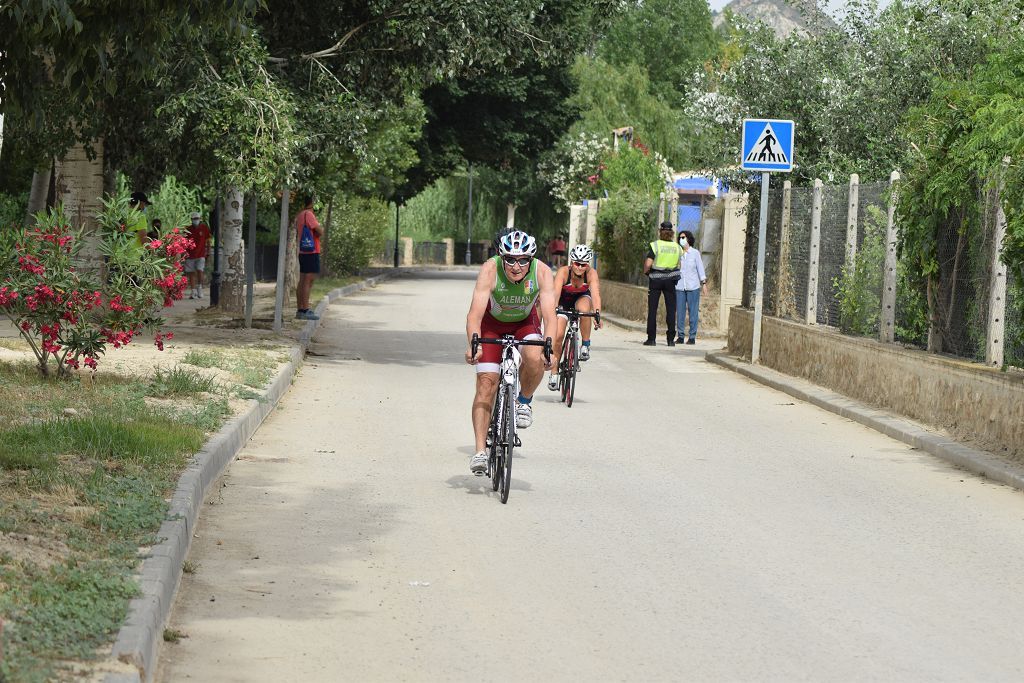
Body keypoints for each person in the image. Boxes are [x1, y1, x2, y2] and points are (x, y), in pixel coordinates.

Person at [465, 229, 556, 476]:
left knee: (534, 356)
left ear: (531, 259)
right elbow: (474, 314)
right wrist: (475, 344)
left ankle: (524, 402)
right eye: (510, 260)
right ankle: (480, 452)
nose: (516, 266)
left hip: (524, 323)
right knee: (486, 383)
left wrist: (550, 346)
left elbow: (549, 315)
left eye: (523, 260)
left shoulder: (542, 272)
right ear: (501, 257)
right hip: (491, 325)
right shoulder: (489, 269)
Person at [547, 243, 602, 390]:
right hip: (563, 302)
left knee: (585, 310)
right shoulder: (563, 272)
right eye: (577, 263)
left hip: (581, 298)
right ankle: (554, 373)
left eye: (583, 265)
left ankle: (585, 345)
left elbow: (595, 295)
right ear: (572, 262)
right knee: (558, 336)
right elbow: (556, 293)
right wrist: (552, 311)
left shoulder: (591, 273)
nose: (579, 267)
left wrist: (597, 314)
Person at [642, 221, 683, 346]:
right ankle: (670, 340)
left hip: (656, 280)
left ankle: (651, 339)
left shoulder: (656, 245)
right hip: (671, 281)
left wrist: (646, 272)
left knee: (653, 309)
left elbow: (648, 264)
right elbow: (679, 265)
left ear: (660, 231)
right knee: (671, 310)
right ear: (671, 233)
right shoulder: (677, 247)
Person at [674, 230, 708, 344]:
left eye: (683, 237)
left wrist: (704, 283)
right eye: (680, 238)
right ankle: (680, 336)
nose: (681, 240)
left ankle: (692, 337)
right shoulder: (678, 253)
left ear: (689, 239)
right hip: (679, 287)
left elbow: (700, 268)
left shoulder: (695, 253)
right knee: (680, 312)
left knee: (693, 312)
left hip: (693, 287)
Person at [294, 195, 323, 320]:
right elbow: (320, 231)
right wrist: (319, 228)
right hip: (311, 251)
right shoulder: (309, 214)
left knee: (302, 280)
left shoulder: (301, 215)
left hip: (303, 251)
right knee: (308, 280)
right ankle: (305, 310)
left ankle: (300, 309)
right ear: (313, 203)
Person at [184, 212, 212, 299]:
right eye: (194, 219)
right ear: (191, 220)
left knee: (200, 270)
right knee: (191, 273)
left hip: (201, 254)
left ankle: (199, 288)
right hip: (190, 255)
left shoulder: (204, 227)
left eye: (197, 218)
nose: (195, 220)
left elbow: (208, 241)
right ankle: (193, 291)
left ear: (200, 219)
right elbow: (184, 242)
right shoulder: (188, 229)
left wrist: (209, 251)